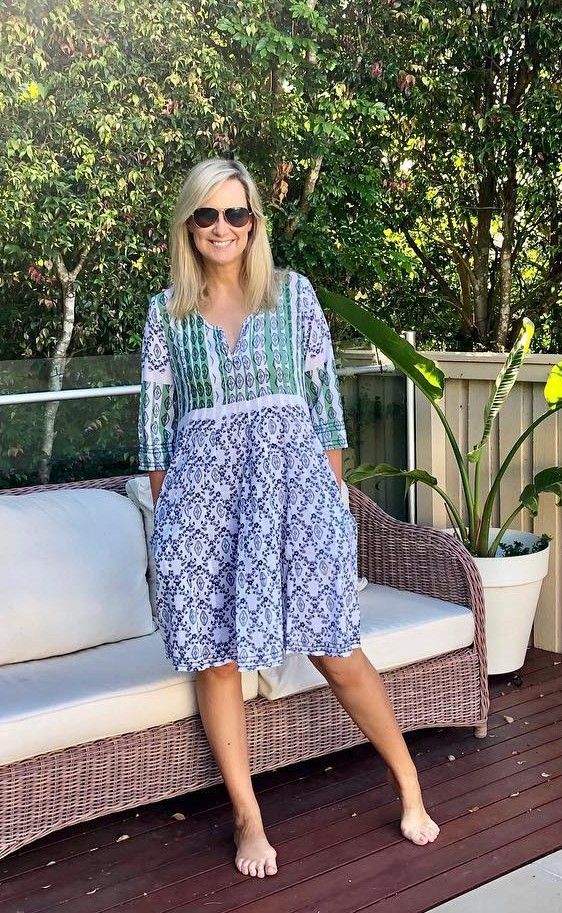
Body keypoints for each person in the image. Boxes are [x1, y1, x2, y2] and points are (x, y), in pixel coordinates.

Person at [138, 157, 439, 880]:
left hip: (297, 498)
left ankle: (409, 784)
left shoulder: (293, 294)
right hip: (202, 511)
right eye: (207, 215)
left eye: (235, 214)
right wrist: (172, 522)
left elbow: (327, 411)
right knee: (216, 660)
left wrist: (333, 510)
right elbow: (153, 432)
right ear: (189, 225)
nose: (222, 228)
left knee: (337, 647)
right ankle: (249, 818)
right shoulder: (166, 312)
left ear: (253, 223)